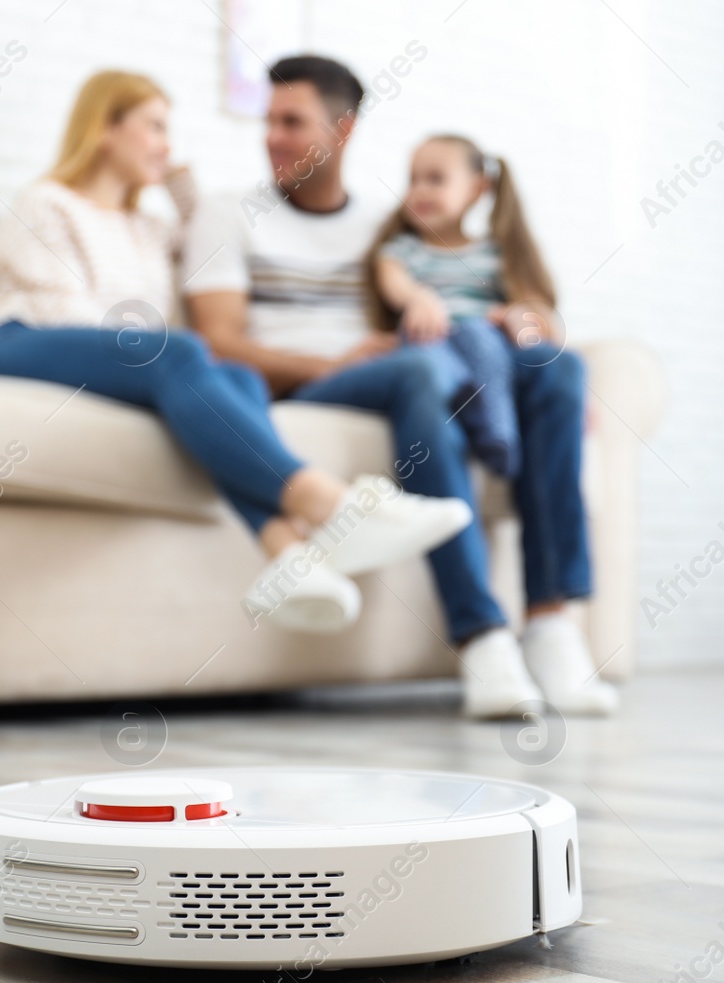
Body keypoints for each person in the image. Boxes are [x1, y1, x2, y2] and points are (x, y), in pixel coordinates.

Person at [0, 70, 469, 635]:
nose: (165, 144)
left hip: (119, 357)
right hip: (16, 342)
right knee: (177, 353)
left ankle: (287, 558)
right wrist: (149, 367)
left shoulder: (149, 228)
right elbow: (62, 315)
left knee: (237, 380)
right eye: (152, 127)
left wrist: (174, 186)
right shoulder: (47, 202)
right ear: (104, 129)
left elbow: (203, 233)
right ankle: (327, 502)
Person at [183, 55, 618, 718]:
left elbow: (477, 291)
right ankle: (481, 635)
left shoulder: (387, 230)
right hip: (312, 385)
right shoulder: (228, 214)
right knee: (424, 368)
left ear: (344, 128)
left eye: (292, 121)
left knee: (557, 370)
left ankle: (553, 619)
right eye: (269, 120)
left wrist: (535, 334)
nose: (272, 135)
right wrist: (333, 365)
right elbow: (215, 343)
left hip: (410, 371)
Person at [365, 134, 553, 481]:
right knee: (428, 360)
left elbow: (540, 317)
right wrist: (418, 298)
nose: (419, 190)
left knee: (480, 336)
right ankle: (470, 404)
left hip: (482, 338)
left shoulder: (493, 254)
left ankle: (495, 429)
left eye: (435, 179)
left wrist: (515, 318)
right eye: (413, 180)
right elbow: (394, 283)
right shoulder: (402, 250)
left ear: (476, 189)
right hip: (429, 337)